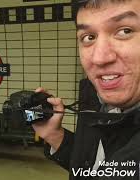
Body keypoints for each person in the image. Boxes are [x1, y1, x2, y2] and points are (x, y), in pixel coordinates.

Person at [33, 0, 140, 179]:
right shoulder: (92, 95)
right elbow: (94, 167)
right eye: (89, 37)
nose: (99, 58)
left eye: (124, 31)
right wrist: (55, 136)